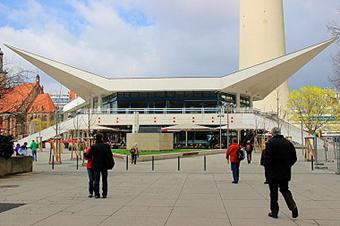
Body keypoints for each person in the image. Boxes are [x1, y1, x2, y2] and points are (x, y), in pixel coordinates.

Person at [262, 127, 298, 219]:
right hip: (285, 172)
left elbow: (267, 158)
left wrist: (267, 167)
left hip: (273, 172)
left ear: (273, 134)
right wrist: (288, 165)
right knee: (285, 189)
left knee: (273, 192)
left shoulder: (270, 143)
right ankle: (292, 206)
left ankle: (274, 212)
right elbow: (294, 158)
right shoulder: (288, 143)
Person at [85, 133, 113, 199]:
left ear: (96, 138)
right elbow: (110, 155)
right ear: (102, 138)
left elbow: (89, 155)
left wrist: (85, 154)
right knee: (104, 180)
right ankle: (104, 194)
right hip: (104, 165)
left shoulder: (94, 146)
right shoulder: (106, 146)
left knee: (96, 180)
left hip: (96, 165)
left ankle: (97, 194)